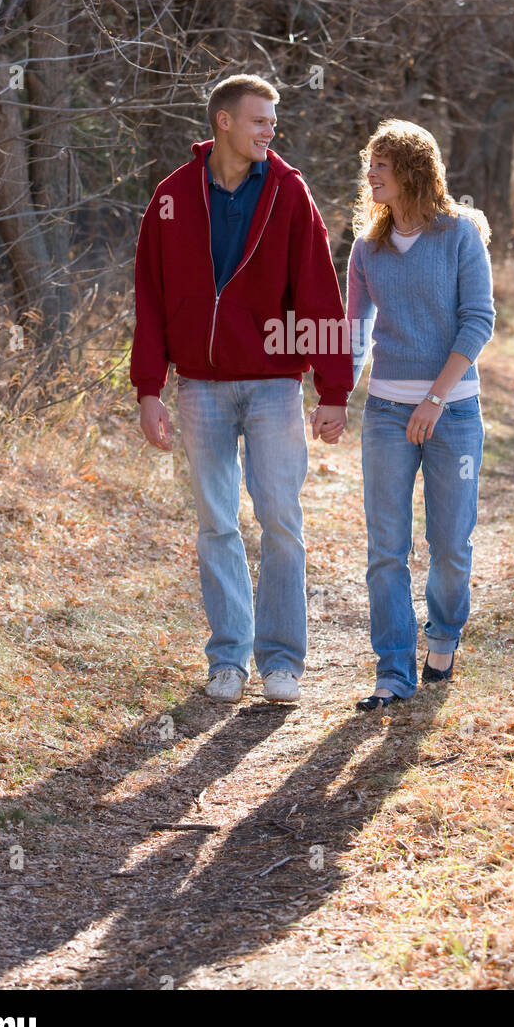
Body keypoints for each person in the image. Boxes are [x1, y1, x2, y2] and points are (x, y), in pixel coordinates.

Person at [130, 74, 351, 705]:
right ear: (224, 121)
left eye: (273, 122)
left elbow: (318, 292)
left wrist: (333, 388)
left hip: (276, 385)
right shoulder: (172, 197)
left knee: (280, 520)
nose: (269, 131)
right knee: (217, 523)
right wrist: (150, 387)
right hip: (199, 387)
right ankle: (228, 658)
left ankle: (282, 659)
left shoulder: (288, 192)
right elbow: (149, 297)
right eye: (259, 120)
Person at [345, 119, 495, 710]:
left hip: (452, 415)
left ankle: (445, 635)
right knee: (386, 548)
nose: (371, 173)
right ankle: (392, 671)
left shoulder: (458, 235)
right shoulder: (367, 248)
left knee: (450, 545)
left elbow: (477, 320)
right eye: (370, 164)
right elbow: (354, 332)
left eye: (382, 164)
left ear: (412, 170)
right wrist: (335, 398)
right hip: (385, 413)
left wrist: (434, 399)